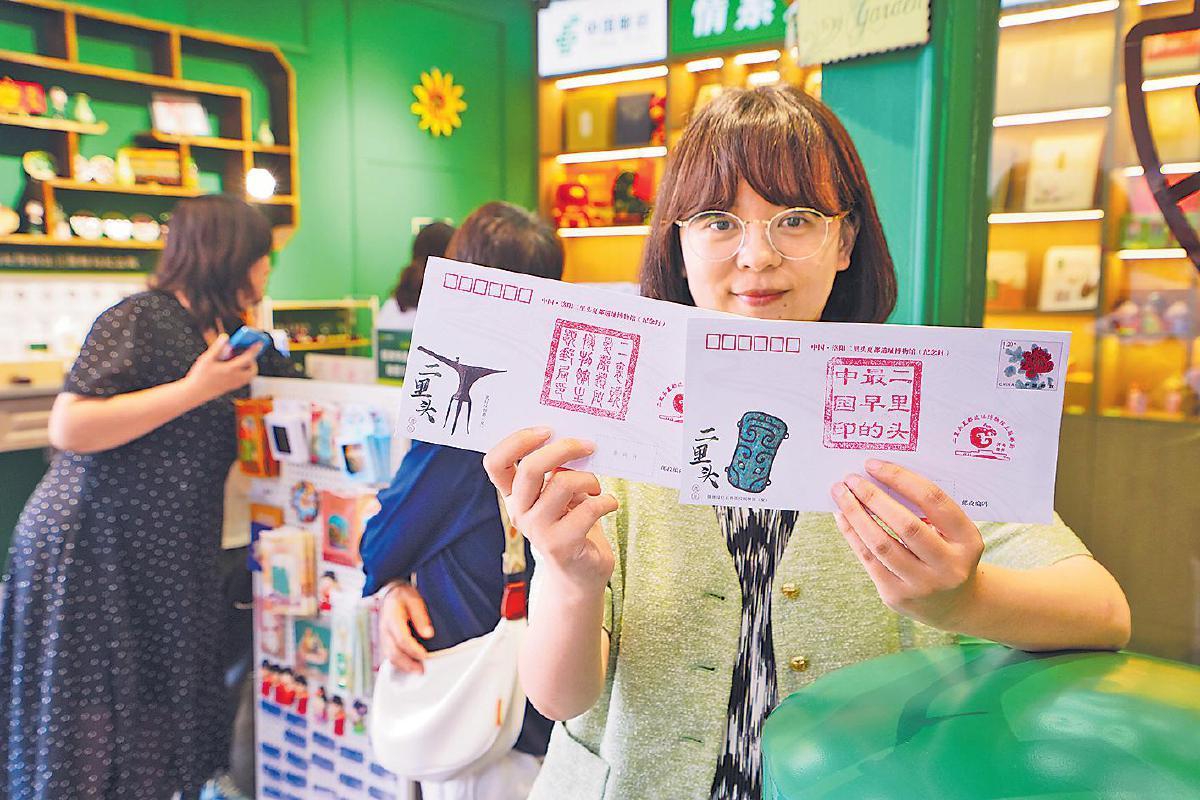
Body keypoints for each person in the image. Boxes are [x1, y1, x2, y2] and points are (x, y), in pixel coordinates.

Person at [480, 87, 1133, 800]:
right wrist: (569, 577)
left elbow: (1102, 610)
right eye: (718, 221)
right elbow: (559, 697)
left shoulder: (913, 407)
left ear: (844, 241)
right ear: (679, 244)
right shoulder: (612, 413)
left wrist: (964, 599)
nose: (756, 256)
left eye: (795, 220)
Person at [0, 194, 290, 800]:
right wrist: (195, 389)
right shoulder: (140, 317)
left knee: (157, 720)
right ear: (229, 255)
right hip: (94, 546)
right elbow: (70, 426)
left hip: (165, 553)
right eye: (260, 256)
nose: (266, 268)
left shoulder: (219, 334)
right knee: (88, 720)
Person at [360, 201, 562, 800]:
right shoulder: (563, 401)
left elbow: (381, 546)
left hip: (491, 715)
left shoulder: (463, 424)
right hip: (558, 711)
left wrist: (393, 582)